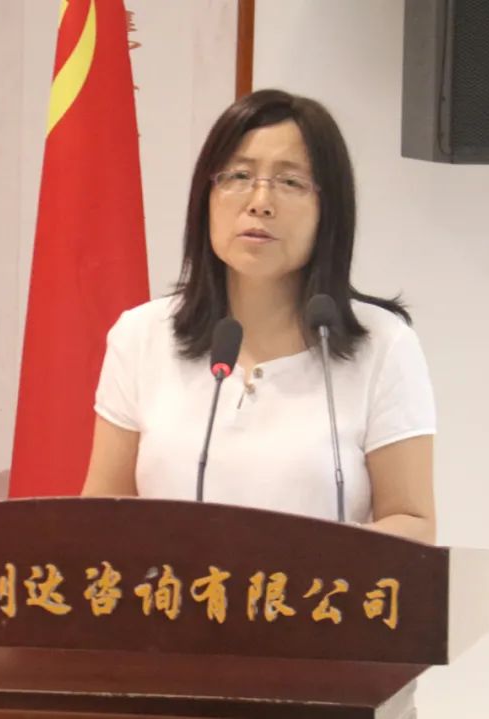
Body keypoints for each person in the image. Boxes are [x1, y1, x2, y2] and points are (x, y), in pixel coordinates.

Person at [81, 89, 436, 544]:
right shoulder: (142, 336)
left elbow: (413, 524)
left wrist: (295, 565)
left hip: (314, 591)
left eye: (290, 182)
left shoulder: (382, 346)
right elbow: (100, 520)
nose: (260, 202)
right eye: (239, 176)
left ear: (329, 209)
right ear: (206, 197)